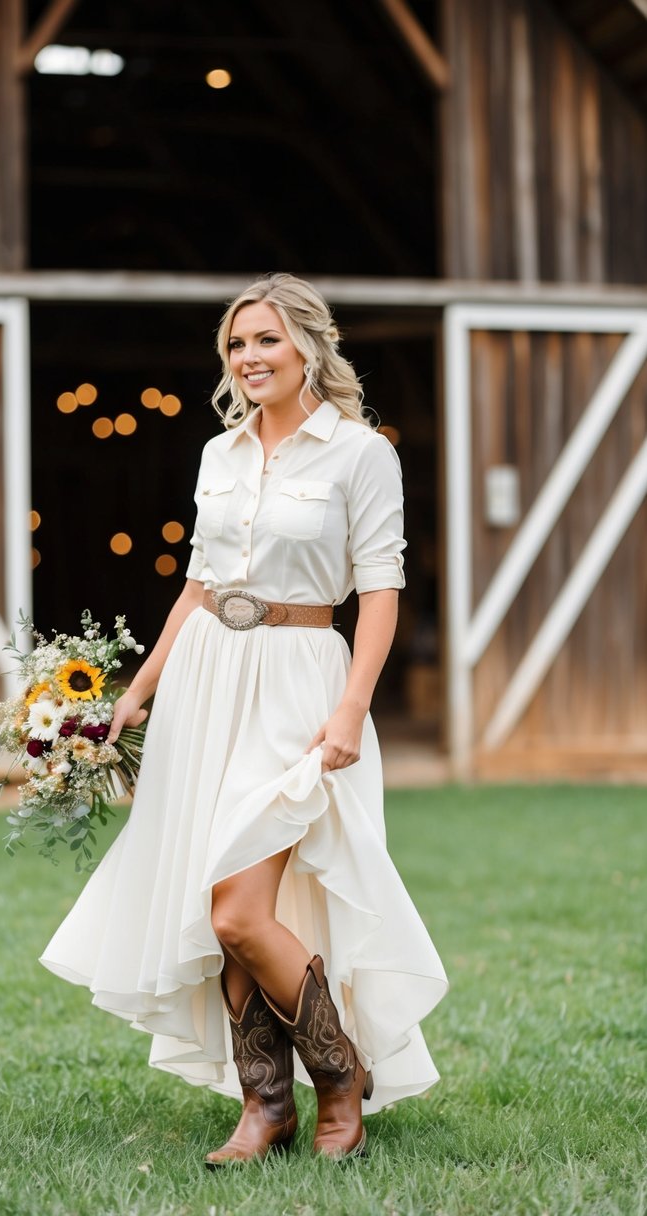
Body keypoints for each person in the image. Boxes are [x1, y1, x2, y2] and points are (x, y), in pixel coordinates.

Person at [39, 272, 448, 1165]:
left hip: (300, 681)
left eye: (265, 340)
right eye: (235, 343)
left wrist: (351, 708)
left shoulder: (359, 454)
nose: (249, 357)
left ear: (308, 345)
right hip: (205, 681)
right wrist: (142, 687)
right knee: (222, 898)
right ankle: (266, 1107)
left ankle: (339, 1078)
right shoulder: (218, 455)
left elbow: (380, 591)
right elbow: (197, 585)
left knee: (236, 912)